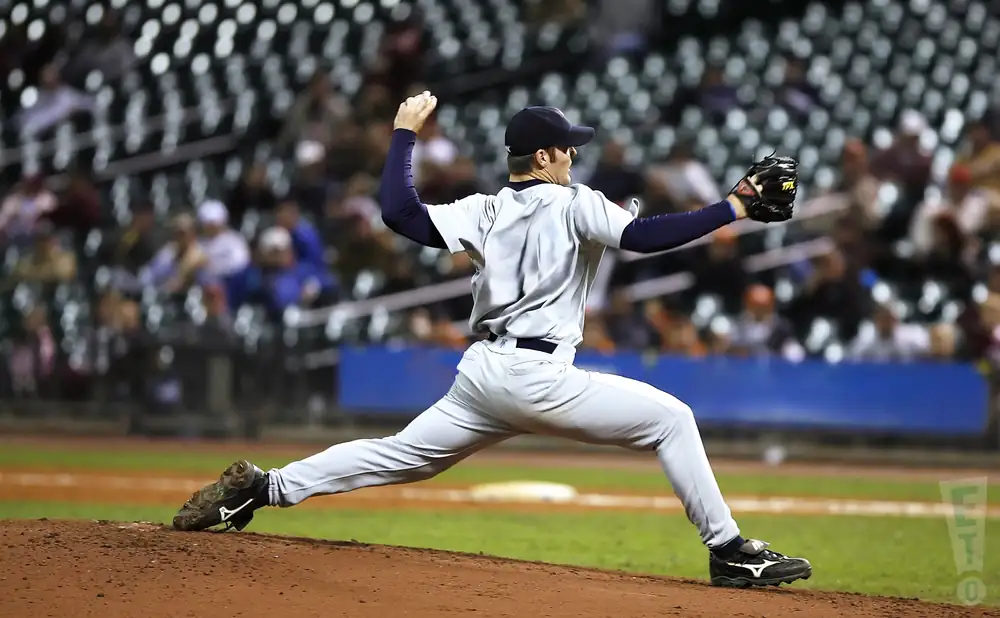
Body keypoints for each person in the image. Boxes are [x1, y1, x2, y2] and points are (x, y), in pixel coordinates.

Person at [173, 93, 810, 589]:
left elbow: (398, 211)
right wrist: (736, 207)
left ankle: (265, 488)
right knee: (672, 420)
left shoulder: (483, 209)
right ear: (543, 159)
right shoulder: (575, 202)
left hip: (483, 374)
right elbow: (643, 240)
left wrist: (404, 133)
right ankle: (730, 554)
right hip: (539, 378)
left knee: (400, 455)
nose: (572, 157)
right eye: (566, 150)